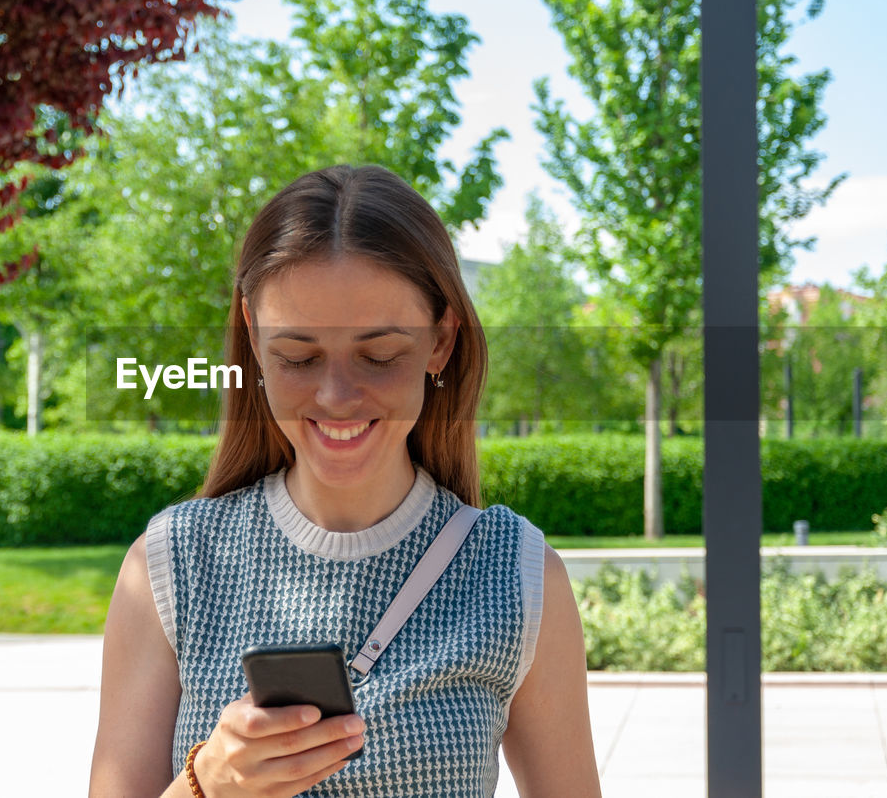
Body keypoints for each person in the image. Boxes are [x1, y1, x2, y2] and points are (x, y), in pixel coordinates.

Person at [89, 165, 601, 797]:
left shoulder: (512, 572)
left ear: (441, 340)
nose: (335, 397)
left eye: (379, 356)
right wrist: (209, 783)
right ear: (252, 337)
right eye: (297, 357)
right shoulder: (173, 565)